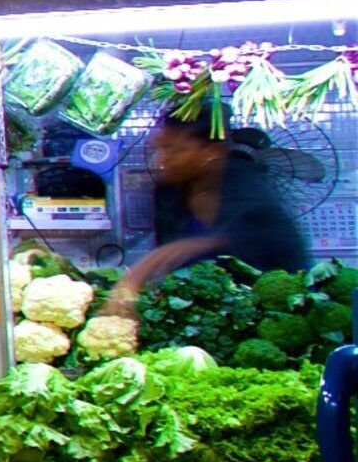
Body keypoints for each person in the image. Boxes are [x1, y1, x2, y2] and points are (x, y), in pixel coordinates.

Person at [111, 107, 310, 316]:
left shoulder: (245, 184)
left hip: (268, 312)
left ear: (211, 152)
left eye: (175, 150)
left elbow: (256, 241)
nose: (161, 159)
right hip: (200, 316)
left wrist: (148, 267)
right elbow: (169, 258)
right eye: (159, 148)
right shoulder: (168, 190)